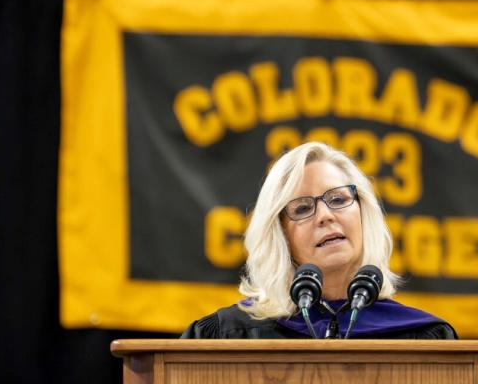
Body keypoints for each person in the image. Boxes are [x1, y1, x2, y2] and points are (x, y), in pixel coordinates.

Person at [181, 141, 457, 339]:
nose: (325, 216)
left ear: (363, 213)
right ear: (280, 236)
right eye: (302, 208)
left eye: (338, 199)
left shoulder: (423, 337)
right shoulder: (226, 337)